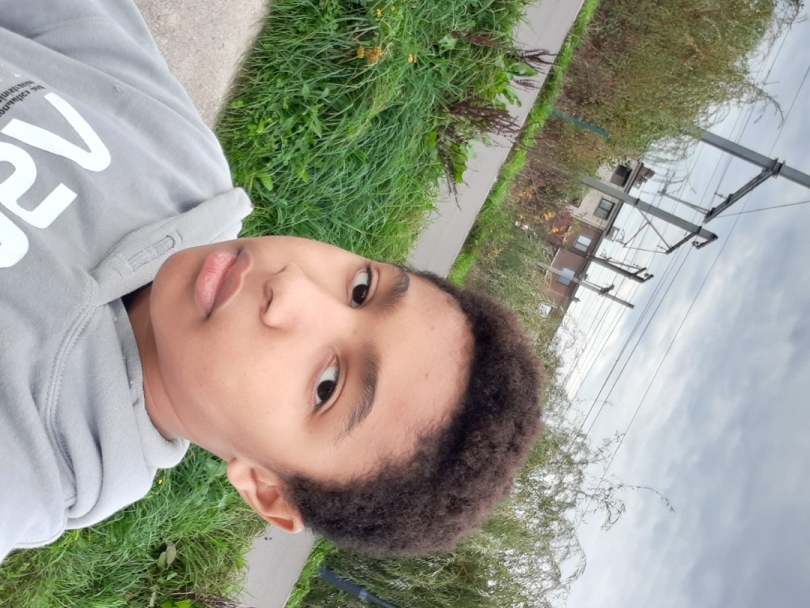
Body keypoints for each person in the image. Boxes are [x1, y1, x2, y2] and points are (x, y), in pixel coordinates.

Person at [0, 0, 542, 561]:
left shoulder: (22, 470)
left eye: (327, 385)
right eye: (361, 289)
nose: (292, 289)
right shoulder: (181, 165)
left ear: (266, 489)